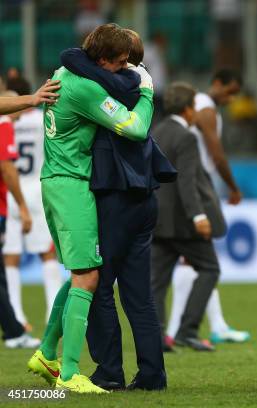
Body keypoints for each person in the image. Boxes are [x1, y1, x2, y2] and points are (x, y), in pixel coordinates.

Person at [26, 23, 154, 394]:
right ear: (101, 60)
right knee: (88, 277)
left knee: (81, 272)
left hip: (56, 179)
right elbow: (134, 128)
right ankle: (69, 373)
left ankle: (48, 352)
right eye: (119, 63)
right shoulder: (84, 88)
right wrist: (146, 93)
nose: (123, 69)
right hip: (71, 184)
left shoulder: (67, 71)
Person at [58, 30, 175, 391]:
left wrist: (87, 55)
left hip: (116, 197)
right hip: (144, 197)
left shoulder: (117, 84)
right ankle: (153, 375)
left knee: (97, 283)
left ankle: (109, 371)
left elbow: (71, 56)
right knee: (139, 295)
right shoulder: (137, 82)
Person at [166, 69, 249, 347]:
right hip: (195, 185)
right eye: (229, 90)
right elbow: (215, 151)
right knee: (200, 258)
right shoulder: (205, 109)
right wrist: (233, 186)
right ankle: (184, 327)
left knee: (195, 259)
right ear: (216, 84)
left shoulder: (201, 106)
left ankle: (210, 325)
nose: (232, 97)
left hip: (191, 182)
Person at [151, 82, 226, 352]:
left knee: (156, 281)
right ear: (186, 109)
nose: (196, 112)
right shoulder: (187, 137)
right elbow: (187, 181)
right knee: (209, 268)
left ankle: (156, 336)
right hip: (183, 222)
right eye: (194, 106)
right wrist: (198, 217)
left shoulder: (155, 131)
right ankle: (187, 330)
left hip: (158, 220)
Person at [3, 77, 63, 330]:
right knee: (47, 252)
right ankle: (53, 311)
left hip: (10, 189)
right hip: (36, 188)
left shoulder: (6, 120)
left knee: (10, 255)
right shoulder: (42, 119)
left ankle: (16, 315)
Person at [0, 91, 38, 349]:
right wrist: (23, 206)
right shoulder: (3, 125)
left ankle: (14, 329)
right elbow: (6, 166)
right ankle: (14, 330)